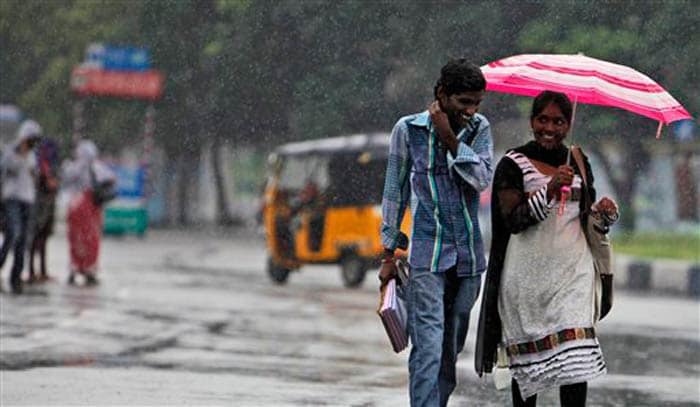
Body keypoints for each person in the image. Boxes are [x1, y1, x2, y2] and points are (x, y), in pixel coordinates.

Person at [474, 91, 620, 406]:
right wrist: (550, 189)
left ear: (568, 125)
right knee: (529, 371)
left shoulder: (579, 161)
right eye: (543, 120)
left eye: (558, 121)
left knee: (575, 362)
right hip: (526, 281)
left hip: (572, 277)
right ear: (532, 121)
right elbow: (513, 220)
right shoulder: (512, 164)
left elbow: (584, 218)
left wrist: (603, 214)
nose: (549, 128)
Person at [379, 58, 493, 406]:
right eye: (463, 102)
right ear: (442, 94)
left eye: (476, 103)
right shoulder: (407, 130)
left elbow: (481, 178)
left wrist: (449, 137)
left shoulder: (479, 129)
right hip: (427, 256)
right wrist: (388, 254)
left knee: (449, 347)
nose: (471, 110)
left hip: (468, 259)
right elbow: (395, 192)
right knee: (427, 344)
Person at [61, 139, 115, 286]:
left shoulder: (73, 167)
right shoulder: (97, 167)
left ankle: (75, 266)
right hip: (90, 209)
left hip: (74, 207)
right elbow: (112, 179)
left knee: (75, 238)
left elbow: (65, 180)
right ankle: (88, 268)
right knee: (91, 238)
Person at [0, 119, 41, 294]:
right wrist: (20, 153)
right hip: (12, 199)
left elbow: (34, 175)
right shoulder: (11, 152)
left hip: (28, 200)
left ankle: (16, 277)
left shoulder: (33, 155)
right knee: (14, 233)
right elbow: (7, 169)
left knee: (24, 240)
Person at [27, 137, 60, 283]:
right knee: (35, 238)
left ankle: (42, 271)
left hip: (47, 205)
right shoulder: (37, 163)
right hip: (38, 206)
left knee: (43, 238)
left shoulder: (51, 165)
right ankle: (31, 271)